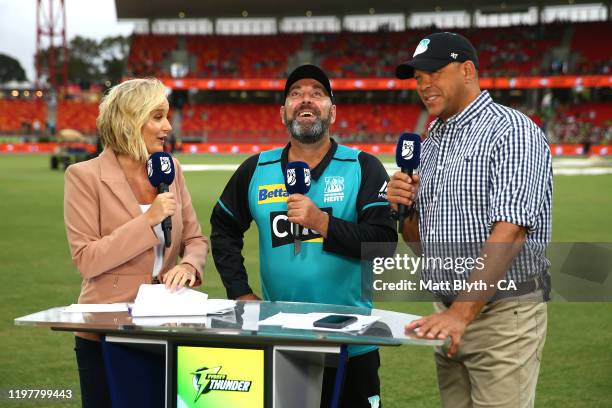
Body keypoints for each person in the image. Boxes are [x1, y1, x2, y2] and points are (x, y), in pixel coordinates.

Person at [210, 64, 397, 408]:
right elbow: (223, 228)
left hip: (351, 342)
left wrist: (322, 224)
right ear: (283, 112)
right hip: (281, 339)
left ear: (333, 111)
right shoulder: (256, 169)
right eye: (295, 94)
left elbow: (383, 244)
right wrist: (239, 290)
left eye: (317, 93)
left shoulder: (363, 166)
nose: (306, 100)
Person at [388, 32, 552, 408]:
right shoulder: (430, 142)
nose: (423, 84)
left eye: (433, 71)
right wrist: (406, 209)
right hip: (447, 314)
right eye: (417, 77)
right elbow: (423, 247)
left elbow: (510, 232)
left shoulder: (511, 131)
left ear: (467, 70)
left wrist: (462, 313)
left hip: (500, 314)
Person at [63, 78, 208, 407]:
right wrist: (147, 221)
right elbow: (87, 258)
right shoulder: (83, 176)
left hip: (167, 325)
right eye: (157, 117)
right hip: (104, 329)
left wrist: (188, 264)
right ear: (129, 120)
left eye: (166, 116)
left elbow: (196, 239)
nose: (168, 127)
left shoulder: (171, 169)